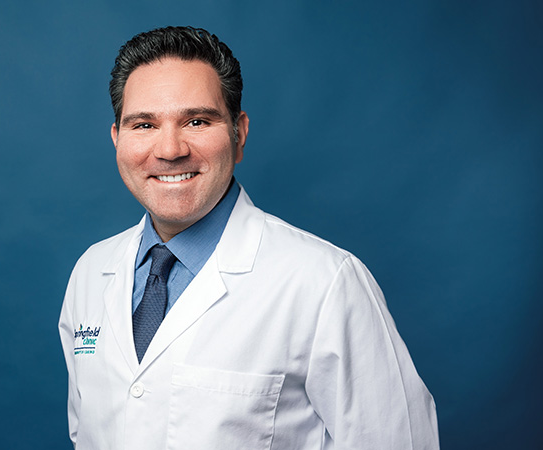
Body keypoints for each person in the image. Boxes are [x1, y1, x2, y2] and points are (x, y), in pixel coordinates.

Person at [59, 26, 439, 449]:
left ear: (238, 134)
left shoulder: (325, 283)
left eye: (197, 121)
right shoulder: (92, 272)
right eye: (144, 124)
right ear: (117, 140)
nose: (169, 149)